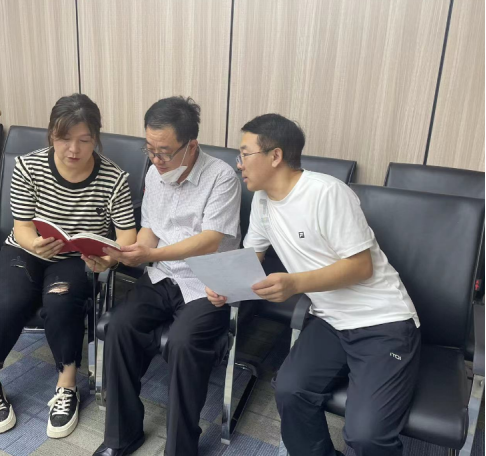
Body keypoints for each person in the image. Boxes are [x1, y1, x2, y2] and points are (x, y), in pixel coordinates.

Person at [207, 114, 421, 456]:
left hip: (383, 322)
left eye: (245, 154)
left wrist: (295, 283)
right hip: (331, 320)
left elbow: (361, 266)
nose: (239, 164)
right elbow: (251, 258)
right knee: (290, 391)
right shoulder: (262, 201)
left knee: (366, 436)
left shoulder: (326, 193)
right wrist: (225, 284)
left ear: (275, 156)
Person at [93, 96, 241, 456]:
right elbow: (150, 231)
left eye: (165, 152)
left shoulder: (222, 177)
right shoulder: (154, 174)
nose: (156, 160)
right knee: (118, 326)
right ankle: (122, 437)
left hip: (207, 283)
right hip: (161, 277)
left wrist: (151, 254)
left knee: (182, 342)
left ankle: (180, 449)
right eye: (150, 150)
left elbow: (210, 241)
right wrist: (125, 253)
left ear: (191, 145)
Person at [0, 94, 137, 439]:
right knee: (10, 300)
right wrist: (35, 244)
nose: (73, 149)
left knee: (61, 302)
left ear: (96, 138)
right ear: (51, 135)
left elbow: (127, 238)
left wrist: (108, 258)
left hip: (77, 258)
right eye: (64, 139)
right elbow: (22, 227)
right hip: (27, 250)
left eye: (84, 140)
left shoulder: (114, 178)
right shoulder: (28, 166)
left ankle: (67, 386)